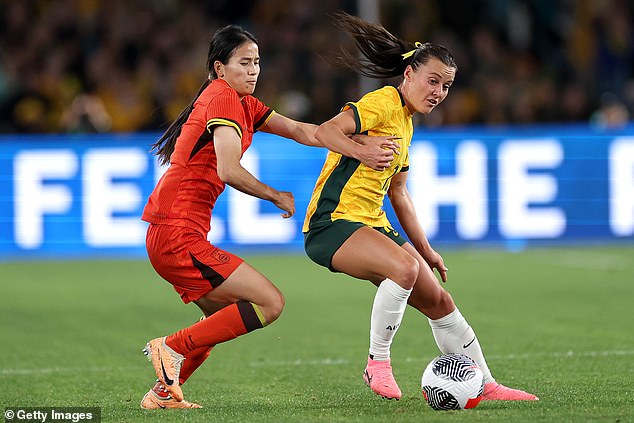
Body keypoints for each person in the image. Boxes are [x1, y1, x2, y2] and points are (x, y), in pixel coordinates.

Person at [139, 24, 395, 410]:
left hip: (172, 234)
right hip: (177, 234)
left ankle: (162, 394)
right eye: (244, 62)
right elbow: (227, 168)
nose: (254, 70)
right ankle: (170, 347)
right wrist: (275, 195)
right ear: (219, 68)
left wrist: (358, 142)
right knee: (269, 303)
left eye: (257, 62)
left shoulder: (242, 103)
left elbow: (301, 130)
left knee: (220, 321)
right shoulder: (222, 98)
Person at [303, 12, 539, 402]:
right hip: (331, 223)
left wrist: (426, 248)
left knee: (439, 301)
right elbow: (324, 131)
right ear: (409, 74)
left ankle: (486, 384)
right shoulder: (382, 101)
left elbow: (399, 193)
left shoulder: (407, 121)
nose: (439, 92)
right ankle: (377, 363)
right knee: (403, 268)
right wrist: (361, 150)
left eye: (446, 86)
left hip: (370, 224)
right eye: (433, 81)